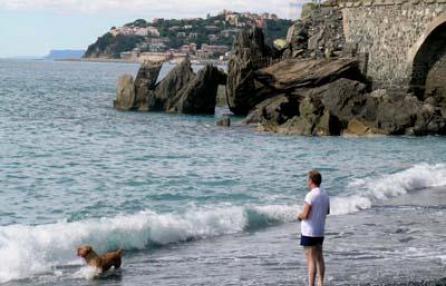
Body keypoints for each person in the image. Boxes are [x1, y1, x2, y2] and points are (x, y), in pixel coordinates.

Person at [298, 170, 330, 286]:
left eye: (308, 180)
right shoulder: (325, 194)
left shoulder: (310, 195)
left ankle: (311, 284)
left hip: (309, 232)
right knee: (320, 257)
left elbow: (305, 215)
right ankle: (321, 282)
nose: (307, 182)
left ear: (311, 181)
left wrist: (299, 215)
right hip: (320, 231)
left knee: (311, 260)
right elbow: (327, 211)